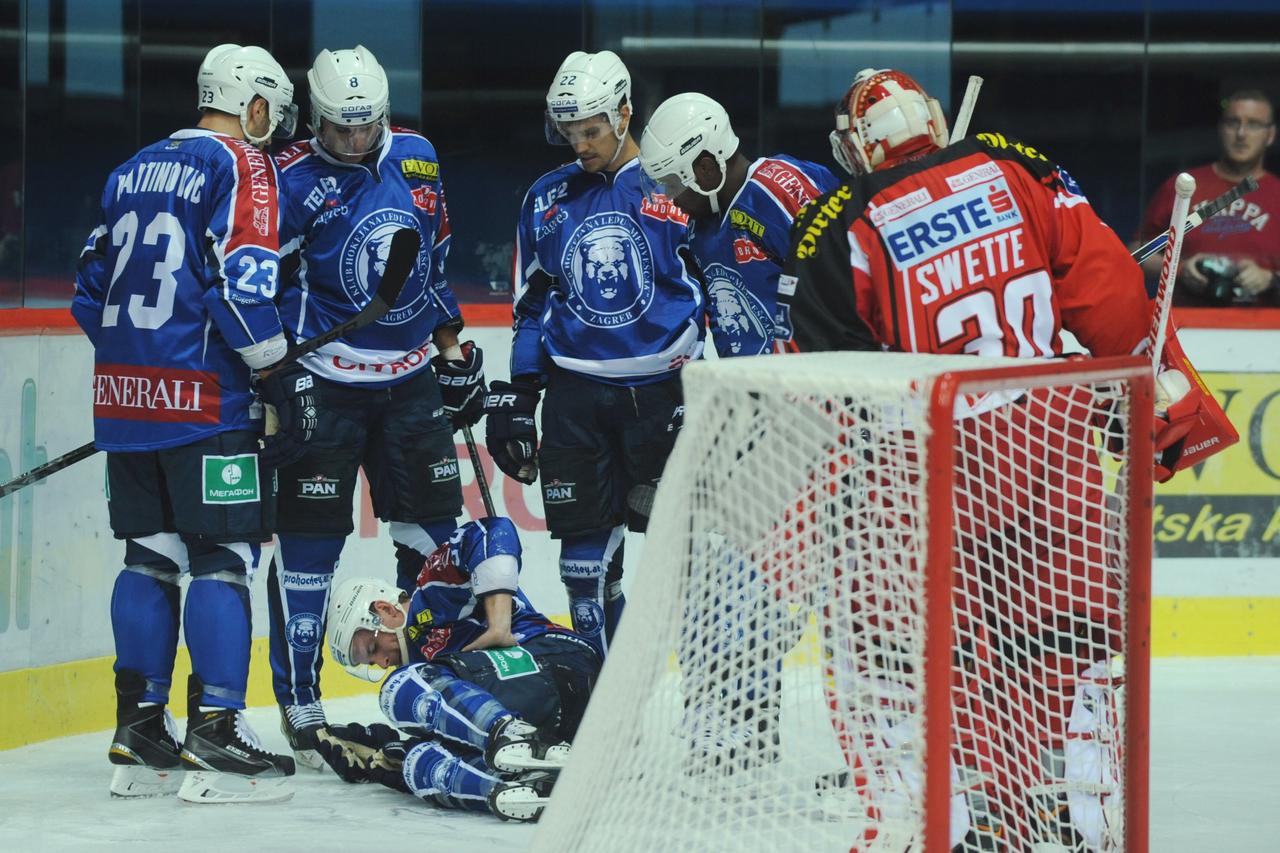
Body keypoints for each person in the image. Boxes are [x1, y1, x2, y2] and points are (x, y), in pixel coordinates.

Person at [779, 67, 1234, 847]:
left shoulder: (841, 221)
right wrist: (1160, 410)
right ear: (931, 117)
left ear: (857, 145)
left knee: (927, 652)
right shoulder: (1013, 165)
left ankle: (954, 817)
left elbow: (830, 380)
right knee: (1064, 638)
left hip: (934, 469)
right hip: (1049, 445)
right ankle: (1085, 808)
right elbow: (1114, 292)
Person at [71, 43, 301, 803]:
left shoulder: (129, 168)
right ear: (253, 104)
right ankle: (216, 726)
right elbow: (240, 288)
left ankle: (138, 723)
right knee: (224, 554)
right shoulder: (243, 166)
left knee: (149, 553)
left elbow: (87, 291)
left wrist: (139, 362)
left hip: (126, 396)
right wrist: (273, 366)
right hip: (207, 399)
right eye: (272, 108)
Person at [267, 45, 485, 769]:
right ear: (316, 118)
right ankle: (301, 699)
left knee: (431, 541)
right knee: (308, 545)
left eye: (365, 129)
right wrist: (276, 374)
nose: (355, 143)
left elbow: (436, 262)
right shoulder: (292, 176)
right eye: (339, 130)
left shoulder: (418, 157)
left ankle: (432, 680)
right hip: (324, 384)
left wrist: (453, 352)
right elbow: (264, 283)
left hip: (410, 382)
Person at [482, 50, 702, 659]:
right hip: (576, 400)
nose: (579, 145)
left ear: (626, 113)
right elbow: (531, 303)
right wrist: (519, 393)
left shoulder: (675, 181)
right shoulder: (546, 197)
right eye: (569, 132)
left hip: (665, 397)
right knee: (582, 571)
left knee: (689, 564)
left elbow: (714, 286)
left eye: (592, 131)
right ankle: (599, 706)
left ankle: (704, 709)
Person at [314, 516, 601, 822]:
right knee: (417, 763)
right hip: (552, 715)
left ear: (384, 609)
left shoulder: (429, 596)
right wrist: (384, 750)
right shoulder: (429, 671)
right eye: (369, 664)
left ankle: (512, 737)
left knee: (398, 688)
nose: (382, 662)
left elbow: (492, 530)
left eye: (371, 649)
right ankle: (521, 787)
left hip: (558, 659)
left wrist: (500, 623)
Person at [638, 91, 839, 358]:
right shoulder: (701, 224)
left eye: (673, 184)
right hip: (746, 385)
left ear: (706, 169)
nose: (669, 198)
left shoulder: (778, 192)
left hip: (806, 382)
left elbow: (839, 289)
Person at [1136, 88, 1280, 306]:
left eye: (1253, 124)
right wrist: (1180, 268)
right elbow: (1138, 255)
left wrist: (1270, 279)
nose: (1241, 133)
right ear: (1220, 129)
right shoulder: (1184, 186)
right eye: (1233, 122)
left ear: (1270, 135)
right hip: (1187, 325)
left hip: (1266, 330)